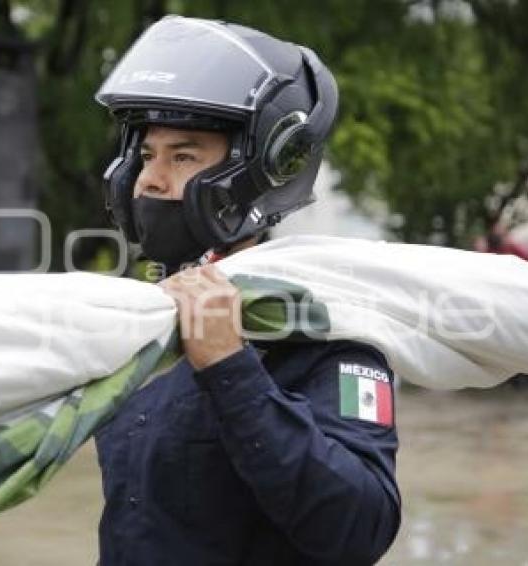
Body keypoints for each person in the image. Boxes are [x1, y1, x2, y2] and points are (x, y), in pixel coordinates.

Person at [93, 16, 400, 565]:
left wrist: (231, 370)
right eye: (146, 156)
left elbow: (361, 530)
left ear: (261, 172)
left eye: (182, 157)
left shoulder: (326, 328)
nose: (150, 180)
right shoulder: (137, 326)